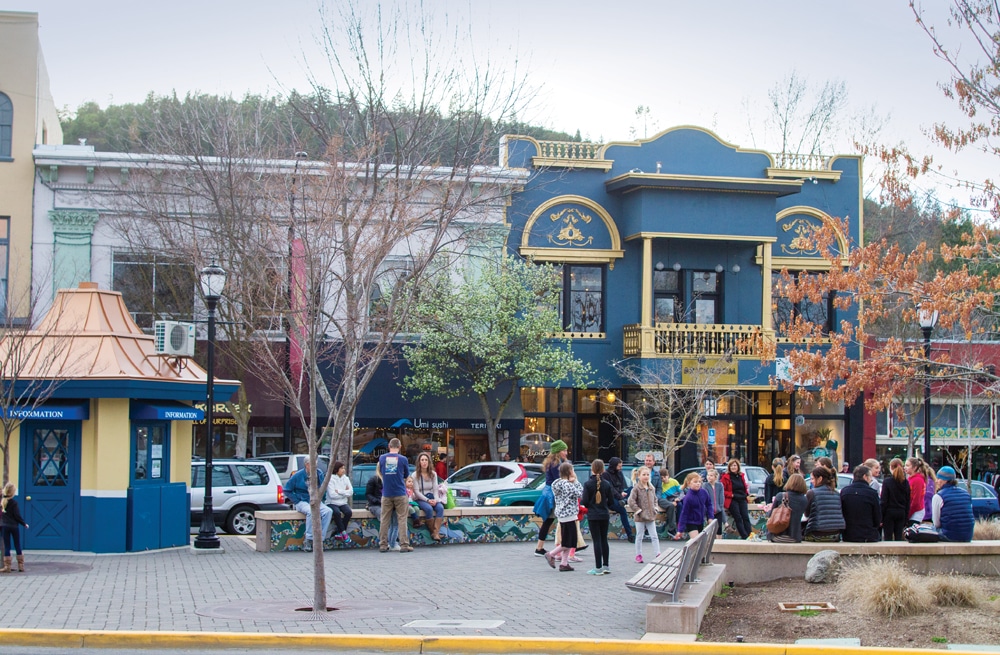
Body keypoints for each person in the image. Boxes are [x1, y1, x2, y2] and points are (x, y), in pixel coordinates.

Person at [285, 460, 333, 552]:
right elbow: (287, 489)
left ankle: (320, 539)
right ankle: (309, 539)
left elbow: (323, 487)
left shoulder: (318, 473)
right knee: (311, 512)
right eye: (313, 465)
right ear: (307, 465)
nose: (316, 467)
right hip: (302, 501)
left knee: (328, 511)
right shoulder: (297, 475)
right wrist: (296, 500)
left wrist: (319, 498)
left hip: (316, 500)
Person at [545, 462, 584, 572]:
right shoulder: (568, 485)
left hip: (562, 514)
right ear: (570, 471)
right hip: (568, 515)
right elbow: (580, 493)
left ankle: (564, 563)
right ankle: (551, 554)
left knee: (569, 540)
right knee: (568, 542)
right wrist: (575, 481)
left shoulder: (556, 483)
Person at [533, 439, 569, 557]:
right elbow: (560, 481)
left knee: (548, 521)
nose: (566, 453)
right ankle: (564, 546)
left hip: (548, 493)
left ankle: (540, 547)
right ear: (558, 451)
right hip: (553, 495)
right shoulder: (556, 465)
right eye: (564, 450)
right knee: (557, 520)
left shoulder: (551, 463)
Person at [378, 438, 412, 553]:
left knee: (384, 520)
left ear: (389, 446)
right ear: (400, 447)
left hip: (387, 493)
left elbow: (382, 472)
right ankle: (404, 545)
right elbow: (406, 474)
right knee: (402, 519)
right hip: (400, 493)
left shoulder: (382, 458)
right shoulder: (403, 459)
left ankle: (383, 544)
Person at [582, 459, 613, 575]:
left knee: (597, 541)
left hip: (593, 515)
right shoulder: (607, 484)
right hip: (604, 514)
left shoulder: (588, 484)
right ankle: (606, 565)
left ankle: (598, 567)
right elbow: (611, 501)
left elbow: (584, 501)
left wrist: (590, 505)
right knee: (604, 539)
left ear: (592, 469)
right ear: (603, 470)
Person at [626, 466, 660, 563]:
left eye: (647, 474)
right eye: (644, 475)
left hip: (650, 516)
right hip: (640, 517)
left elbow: (655, 499)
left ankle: (657, 553)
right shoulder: (636, 488)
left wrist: (655, 508)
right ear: (639, 476)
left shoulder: (651, 487)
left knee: (654, 535)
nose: (646, 477)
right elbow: (631, 500)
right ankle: (638, 554)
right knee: (639, 536)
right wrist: (638, 510)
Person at [840, 464, 882, 543]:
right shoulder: (872, 493)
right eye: (870, 477)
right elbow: (877, 517)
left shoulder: (844, 491)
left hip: (848, 535)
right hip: (868, 535)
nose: (871, 480)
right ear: (865, 477)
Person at [932, 466, 974, 542]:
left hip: (950, 535)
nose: (936, 481)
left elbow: (936, 523)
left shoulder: (938, 496)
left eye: (938, 478)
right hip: (968, 536)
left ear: (945, 480)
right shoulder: (966, 494)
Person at [803, 466, 845, 542]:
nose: (811, 481)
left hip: (817, 533)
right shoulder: (836, 493)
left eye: (812, 479)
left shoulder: (812, 493)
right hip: (836, 534)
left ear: (820, 479)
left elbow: (806, 514)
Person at [412, 451, 445, 541]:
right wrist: (427, 500)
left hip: (432, 496)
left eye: (426, 460)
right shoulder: (415, 475)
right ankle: (434, 533)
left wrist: (436, 500)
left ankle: (435, 533)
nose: (424, 462)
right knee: (429, 509)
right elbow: (416, 492)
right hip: (421, 498)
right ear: (419, 462)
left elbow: (435, 489)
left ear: (429, 462)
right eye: (422, 460)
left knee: (440, 508)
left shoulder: (433, 474)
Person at [766, 473, 808, 543]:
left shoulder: (780, 496)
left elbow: (770, 515)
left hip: (777, 537)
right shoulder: (804, 500)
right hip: (795, 538)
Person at [602, 456, 635, 543]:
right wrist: (620, 496)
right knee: (622, 510)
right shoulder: (606, 475)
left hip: (620, 496)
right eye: (619, 466)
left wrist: (621, 492)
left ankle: (624, 501)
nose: (620, 468)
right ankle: (629, 534)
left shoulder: (619, 473)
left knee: (632, 489)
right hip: (611, 498)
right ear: (614, 466)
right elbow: (610, 489)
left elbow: (621, 485)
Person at [366, 469, 399, 551]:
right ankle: (385, 542)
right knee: (383, 516)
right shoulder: (373, 480)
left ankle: (393, 541)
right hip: (375, 505)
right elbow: (368, 494)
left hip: (389, 504)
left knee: (395, 520)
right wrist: (377, 501)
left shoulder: (390, 480)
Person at [676, 472, 714, 540]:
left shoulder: (704, 492)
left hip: (701, 521)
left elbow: (709, 504)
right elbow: (684, 514)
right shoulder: (688, 497)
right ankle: (688, 549)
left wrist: (710, 517)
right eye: (695, 482)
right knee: (695, 541)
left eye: (699, 482)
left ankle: (689, 547)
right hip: (691, 522)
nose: (698, 483)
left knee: (699, 542)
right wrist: (680, 530)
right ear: (689, 483)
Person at [880, 458, 911, 541]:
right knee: (899, 537)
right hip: (901, 512)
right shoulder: (906, 482)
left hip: (889, 513)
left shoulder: (887, 482)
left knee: (888, 538)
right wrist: (906, 517)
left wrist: (881, 517)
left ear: (891, 467)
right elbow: (908, 501)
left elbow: (884, 501)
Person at [0, 483, 28, 572]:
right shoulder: (14, 503)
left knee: (7, 546)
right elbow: (17, 516)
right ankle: (21, 566)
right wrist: (24, 523)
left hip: (4, 526)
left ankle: (7, 567)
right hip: (14, 526)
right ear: (12, 492)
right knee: (17, 545)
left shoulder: (3, 502)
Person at [722, 459, 752, 539]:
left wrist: (747, 495)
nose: (733, 467)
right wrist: (731, 495)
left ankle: (750, 535)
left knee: (745, 517)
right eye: (731, 466)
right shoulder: (725, 477)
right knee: (738, 517)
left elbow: (744, 488)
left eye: (735, 465)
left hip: (742, 498)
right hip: (732, 499)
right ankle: (744, 536)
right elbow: (723, 490)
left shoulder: (741, 476)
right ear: (729, 467)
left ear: (738, 467)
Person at [325, 461, 354, 540]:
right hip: (332, 502)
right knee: (337, 513)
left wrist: (340, 491)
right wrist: (345, 492)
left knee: (348, 512)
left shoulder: (346, 478)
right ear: (336, 469)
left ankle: (340, 532)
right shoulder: (330, 479)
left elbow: (351, 492)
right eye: (341, 468)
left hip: (343, 502)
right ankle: (343, 533)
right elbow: (332, 495)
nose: (343, 470)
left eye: (344, 468)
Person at [657, 466, 681, 537]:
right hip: (670, 500)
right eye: (661, 478)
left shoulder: (674, 481)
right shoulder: (661, 486)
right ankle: (674, 526)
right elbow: (664, 498)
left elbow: (681, 491)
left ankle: (679, 523)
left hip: (677, 498)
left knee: (681, 505)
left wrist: (679, 498)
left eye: (665, 477)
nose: (663, 479)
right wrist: (672, 502)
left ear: (668, 476)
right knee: (674, 506)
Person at [905, 457, 927, 524]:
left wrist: (908, 515)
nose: (905, 467)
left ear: (914, 468)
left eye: (907, 465)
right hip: (912, 511)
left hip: (915, 512)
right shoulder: (911, 478)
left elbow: (916, 501)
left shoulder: (917, 480)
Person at [705, 467, 726, 532]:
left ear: (716, 477)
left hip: (718, 510)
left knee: (719, 529)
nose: (709, 477)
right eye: (708, 475)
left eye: (711, 475)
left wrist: (725, 521)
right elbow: (706, 500)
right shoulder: (705, 485)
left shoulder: (720, 485)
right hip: (709, 511)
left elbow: (721, 499)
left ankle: (719, 541)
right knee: (710, 530)